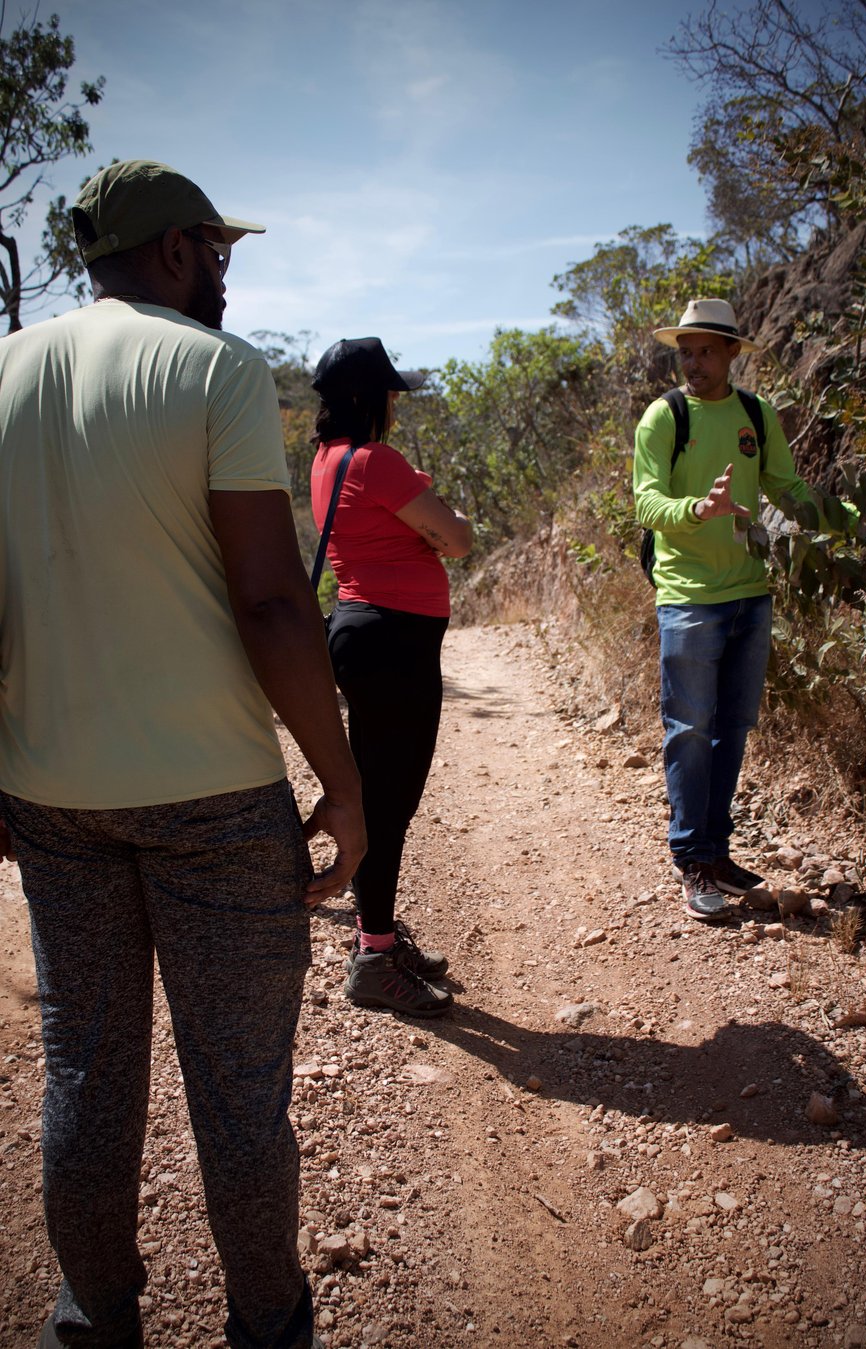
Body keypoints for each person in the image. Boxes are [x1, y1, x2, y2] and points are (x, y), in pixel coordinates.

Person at [0, 160, 366, 1349]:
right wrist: (342, 783)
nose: (224, 273)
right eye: (218, 250)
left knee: (85, 1075)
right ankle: (268, 1326)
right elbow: (271, 602)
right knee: (239, 1090)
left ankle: (92, 1320)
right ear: (173, 250)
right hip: (212, 795)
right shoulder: (215, 369)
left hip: (52, 794)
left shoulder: (3, 371)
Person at [632, 297, 866, 921]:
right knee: (689, 729)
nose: (693, 363)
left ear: (731, 353)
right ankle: (692, 859)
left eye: (705, 351)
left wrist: (860, 521)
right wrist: (699, 508)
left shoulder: (755, 413)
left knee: (733, 726)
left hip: (750, 594)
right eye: (685, 352)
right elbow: (646, 503)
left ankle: (716, 853)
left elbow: (790, 491)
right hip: (689, 597)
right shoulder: (665, 417)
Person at [310, 337, 472, 1016]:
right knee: (388, 805)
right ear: (367, 397)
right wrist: (440, 511)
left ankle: (375, 937)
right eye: (389, 394)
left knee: (383, 797)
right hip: (391, 643)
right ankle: (373, 956)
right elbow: (458, 539)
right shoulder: (376, 462)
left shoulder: (327, 458)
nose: (395, 406)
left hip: (369, 633)